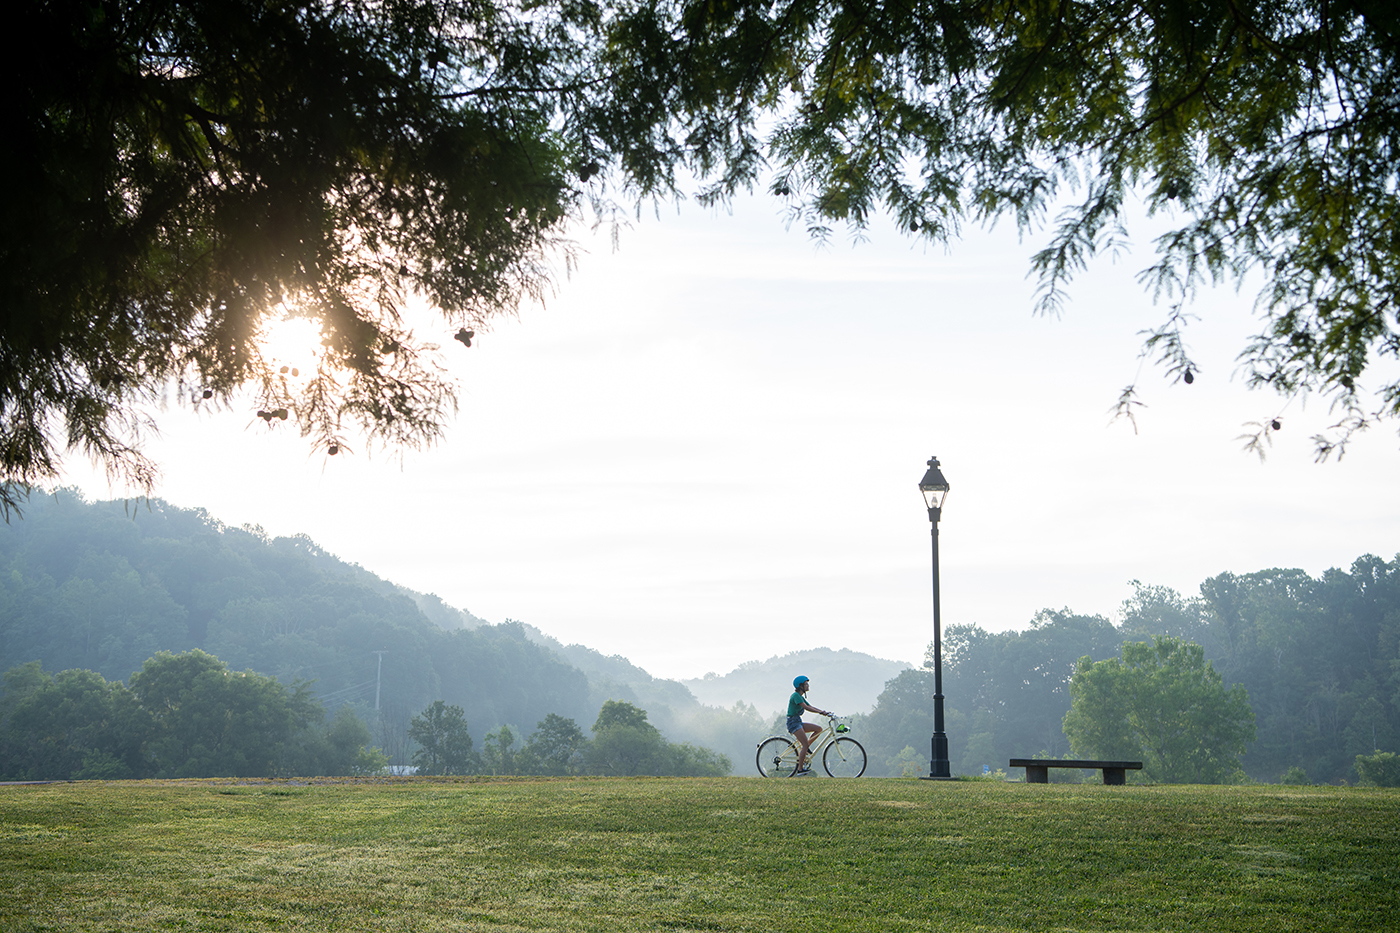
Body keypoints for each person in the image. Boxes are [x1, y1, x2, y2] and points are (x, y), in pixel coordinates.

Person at [787, 675, 832, 775]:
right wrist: (821, 713)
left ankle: (806, 750)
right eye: (806, 684)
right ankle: (800, 770)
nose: (808, 686)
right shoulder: (795, 696)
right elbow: (806, 707)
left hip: (797, 721)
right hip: (793, 723)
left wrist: (823, 712)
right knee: (805, 744)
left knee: (819, 729)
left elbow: (810, 706)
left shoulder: (800, 696)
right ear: (800, 686)